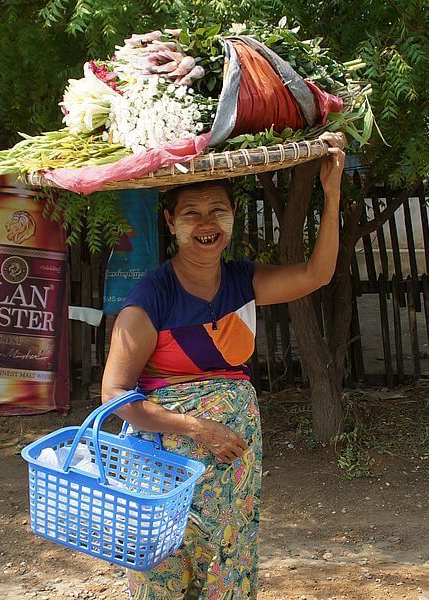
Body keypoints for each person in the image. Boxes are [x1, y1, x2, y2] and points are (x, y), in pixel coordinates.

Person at [101, 131, 346, 599]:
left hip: (232, 464)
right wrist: (198, 429)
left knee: (227, 562)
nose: (206, 223)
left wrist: (331, 194)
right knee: (163, 567)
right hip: (164, 460)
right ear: (171, 222)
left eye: (218, 211)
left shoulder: (242, 282)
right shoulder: (151, 298)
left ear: (232, 218)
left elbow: (317, 274)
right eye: (191, 213)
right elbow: (115, 396)